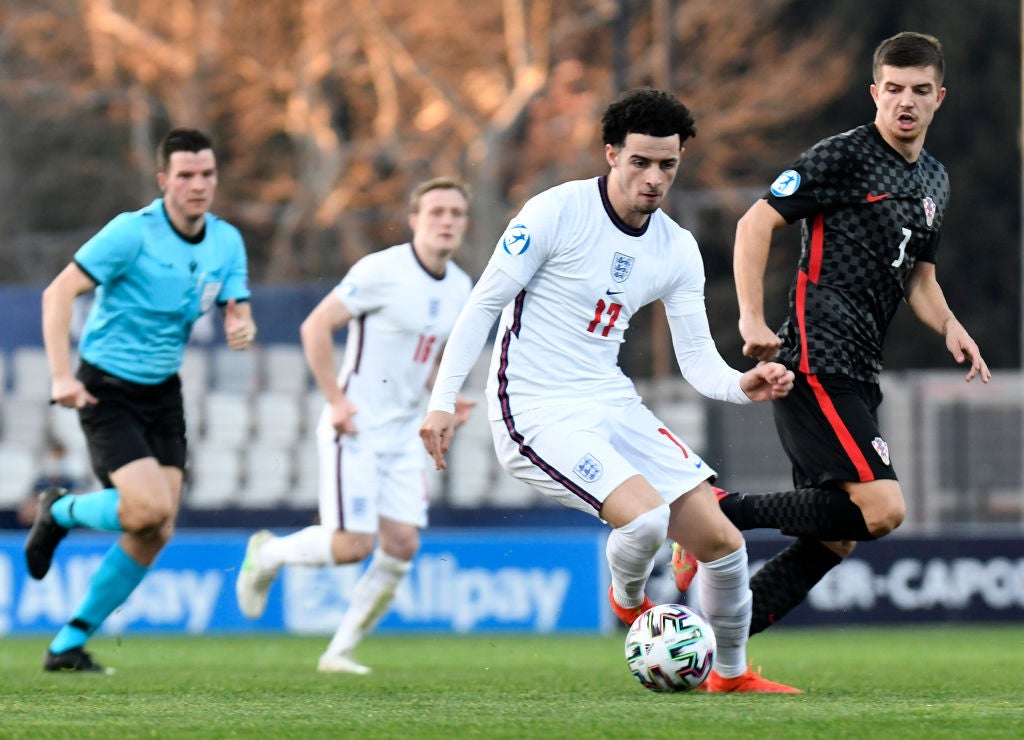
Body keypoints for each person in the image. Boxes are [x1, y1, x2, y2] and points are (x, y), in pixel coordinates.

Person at [420, 88, 801, 693]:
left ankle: (730, 677)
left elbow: (697, 358)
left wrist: (740, 385)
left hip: (608, 399)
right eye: (640, 163)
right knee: (647, 519)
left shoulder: (675, 247)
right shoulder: (555, 212)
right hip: (534, 407)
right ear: (611, 155)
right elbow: (485, 303)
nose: (654, 178)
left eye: (667, 166)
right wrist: (442, 400)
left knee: (723, 544)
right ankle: (628, 606)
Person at [670, 32, 990, 635]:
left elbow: (919, 276)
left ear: (939, 98)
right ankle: (715, 511)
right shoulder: (842, 155)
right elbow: (753, 222)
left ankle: (713, 647)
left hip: (860, 369)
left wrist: (950, 324)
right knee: (883, 509)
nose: (906, 102)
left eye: (920, 91)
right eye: (893, 89)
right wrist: (751, 318)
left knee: (838, 536)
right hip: (816, 356)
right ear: (875, 92)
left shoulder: (935, 181)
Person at [27, 127, 257, 673]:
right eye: (185, 176)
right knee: (147, 509)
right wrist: (61, 375)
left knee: (158, 528)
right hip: (105, 387)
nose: (198, 185)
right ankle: (58, 510)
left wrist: (240, 321)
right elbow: (57, 293)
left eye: (206, 175)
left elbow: (236, 304)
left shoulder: (227, 241)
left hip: (163, 391)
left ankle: (67, 645)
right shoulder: (133, 233)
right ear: (164, 181)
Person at [235, 176, 475, 675]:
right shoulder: (381, 271)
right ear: (414, 220)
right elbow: (315, 325)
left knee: (404, 544)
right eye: (436, 212)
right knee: (352, 546)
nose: (447, 221)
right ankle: (269, 553)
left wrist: (446, 401)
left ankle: (338, 652)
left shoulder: (461, 287)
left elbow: (427, 358)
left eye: (456, 213)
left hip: (407, 431)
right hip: (358, 428)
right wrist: (337, 401)